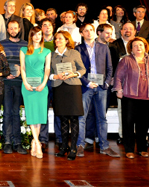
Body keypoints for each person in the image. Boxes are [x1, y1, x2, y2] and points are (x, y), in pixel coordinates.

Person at [113, 37, 149, 159]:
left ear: (145, 47)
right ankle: (129, 149)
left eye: (141, 45)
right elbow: (118, 76)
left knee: (143, 124)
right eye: (135, 45)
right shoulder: (125, 60)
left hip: (147, 96)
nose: (138, 47)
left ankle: (142, 149)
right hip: (129, 96)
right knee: (128, 124)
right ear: (131, 48)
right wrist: (119, 89)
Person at [74, 24, 119, 158]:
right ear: (82, 34)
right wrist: (87, 83)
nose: (89, 33)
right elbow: (77, 70)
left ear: (95, 32)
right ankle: (80, 146)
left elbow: (110, 68)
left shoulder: (104, 47)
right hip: (86, 87)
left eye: (91, 30)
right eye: (86, 31)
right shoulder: (78, 49)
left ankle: (104, 147)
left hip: (101, 87)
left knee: (102, 118)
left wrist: (106, 83)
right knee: (82, 117)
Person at [50, 31, 86, 161]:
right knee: (63, 118)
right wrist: (55, 76)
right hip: (59, 88)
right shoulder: (52, 55)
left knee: (74, 118)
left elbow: (82, 69)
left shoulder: (74, 53)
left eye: (60, 38)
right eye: (56, 39)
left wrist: (73, 74)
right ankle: (64, 147)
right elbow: (48, 73)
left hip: (73, 87)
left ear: (66, 40)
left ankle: (73, 148)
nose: (57, 41)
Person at [20, 27, 51, 159]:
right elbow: (22, 68)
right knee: (32, 114)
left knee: (39, 115)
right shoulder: (23, 50)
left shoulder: (47, 51)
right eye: (35, 34)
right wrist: (25, 82)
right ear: (31, 36)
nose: (37, 37)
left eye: (40, 34)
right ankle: (38, 143)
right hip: (27, 86)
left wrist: (43, 83)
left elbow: (47, 69)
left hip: (41, 86)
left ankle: (34, 141)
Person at [0, 20, 28, 155]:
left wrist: (21, 72)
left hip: (19, 83)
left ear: (19, 29)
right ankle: (7, 142)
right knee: (7, 112)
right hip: (6, 82)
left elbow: (29, 64)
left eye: (15, 28)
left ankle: (18, 142)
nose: (13, 30)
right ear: (7, 29)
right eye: (10, 28)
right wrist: (6, 73)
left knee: (16, 112)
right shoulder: (2, 44)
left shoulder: (25, 45)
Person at [109, 22, 136, 145]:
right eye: (125, 29)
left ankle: (141, 136)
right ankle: (123, 135)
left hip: (139, 84)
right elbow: (110, 64)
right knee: (122, 110)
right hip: (122, 83)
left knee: (139, 111)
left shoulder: (141, 44)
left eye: (130, 29)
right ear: (121, 31)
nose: (128, 31)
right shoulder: (114, 45)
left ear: (135, 31)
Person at [38, 18, 62, 150]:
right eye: (44, 25)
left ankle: (60, 138)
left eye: (49, 25)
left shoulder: (58, 41)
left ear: (53, 27)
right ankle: (43, 139)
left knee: (59, 110)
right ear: (41, 28)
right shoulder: (38, 43)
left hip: (58, 81)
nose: (47, 28)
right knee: (43, 111)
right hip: (43, 82)